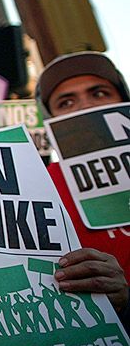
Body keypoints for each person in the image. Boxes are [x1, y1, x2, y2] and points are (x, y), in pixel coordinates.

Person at [35, 51, 129, 326]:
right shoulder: (41, 184)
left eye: (99, 93)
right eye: (66, 102)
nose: (84, 107)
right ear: (51, 121)